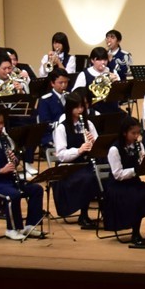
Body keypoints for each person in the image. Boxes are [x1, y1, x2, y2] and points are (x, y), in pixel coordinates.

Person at [0, 107, 45, 241]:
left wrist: (14, 160)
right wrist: (0, 170)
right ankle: (12, 229)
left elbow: (12, 162)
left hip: (7, 181)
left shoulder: (4, 139)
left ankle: (30, 226)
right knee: (13, 194)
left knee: (36, 189)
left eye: (2, 123)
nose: (1, 127)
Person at [103, 118, 145, 246]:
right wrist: (136, 170)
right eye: (133, 133)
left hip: (133, 183)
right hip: (118, 187)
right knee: (137, 197)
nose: (136, 136)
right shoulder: (114, 149)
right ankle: (135, 234)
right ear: (124, 133)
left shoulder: (139, 145)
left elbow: (142, 166)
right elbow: (118, 174)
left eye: (138, 133)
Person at [50, 96, 100, 225]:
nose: (80, 110)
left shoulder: (89, 124)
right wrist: (79, 150)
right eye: (77, 107)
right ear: (69, 108)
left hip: (86, 164)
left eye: (82, 107)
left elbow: (99, 148)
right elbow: (61, 155)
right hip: (69, 168)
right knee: (89, 178)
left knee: (103, 176)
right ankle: (83, 215)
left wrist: (93, 142)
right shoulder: (62, 128)